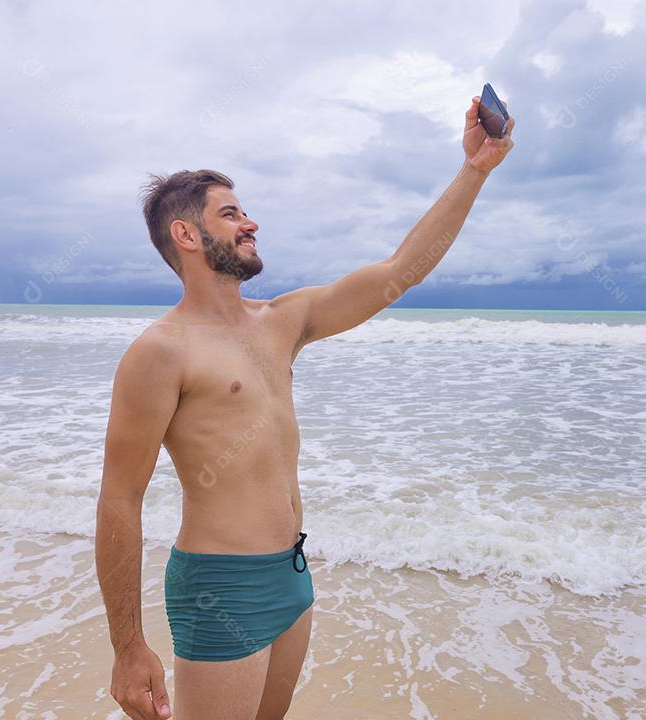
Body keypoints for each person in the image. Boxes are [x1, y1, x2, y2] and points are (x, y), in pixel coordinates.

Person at [94, 97, 514, 720]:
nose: (251, 223)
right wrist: (128, 646)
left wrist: (477, 168)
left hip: (291, 573)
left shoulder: (281, 322)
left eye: (246, 211)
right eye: (231, 214)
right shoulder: (160, 352)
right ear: (186, 234)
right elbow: (120, 498)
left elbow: (402, 271)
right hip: (222, 587)